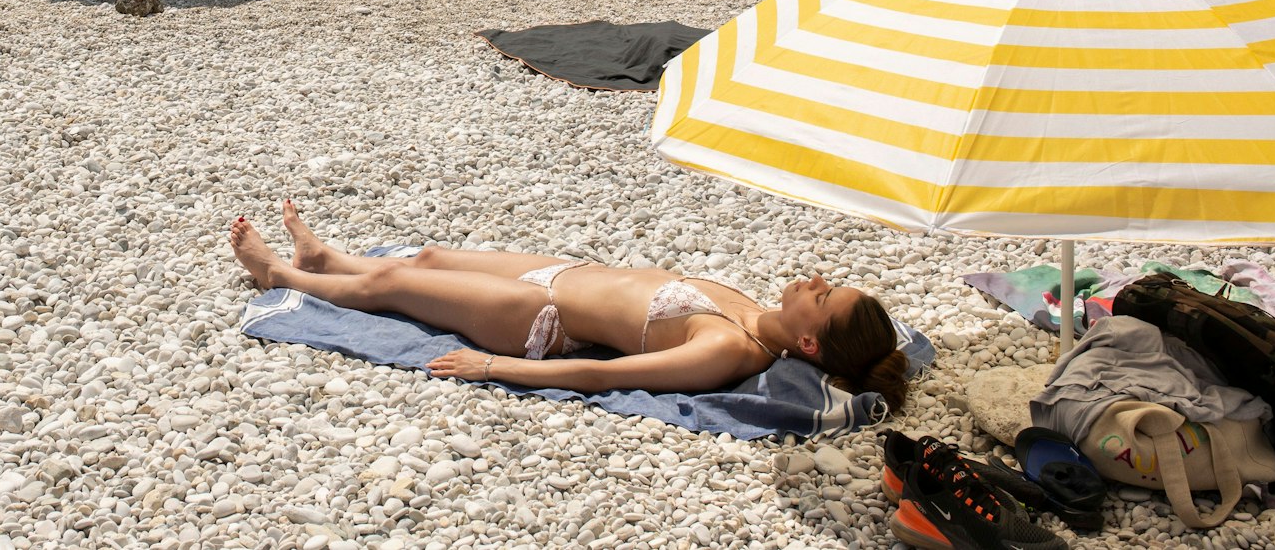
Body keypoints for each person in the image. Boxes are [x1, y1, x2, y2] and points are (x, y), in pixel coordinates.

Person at [228, 201, 907, 411]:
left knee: (392, 287)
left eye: (824, 296)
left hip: (537, 317)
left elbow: (606, 376)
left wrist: (495, 366)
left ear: (809, 344)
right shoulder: (754, 311)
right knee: (427, 257)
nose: (815, 279)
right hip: (562, 273)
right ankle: (329, 259)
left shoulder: (731, 349)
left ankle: (279, 274)